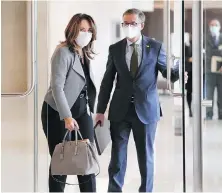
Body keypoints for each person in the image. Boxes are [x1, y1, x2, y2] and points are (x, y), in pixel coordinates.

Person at [95, 8, 181, 192]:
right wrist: (100, 110)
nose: (128, 27)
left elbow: (168, 74)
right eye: (125, 23)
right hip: (120, 111)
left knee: (146, 157)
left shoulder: (155, 47)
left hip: (147, 110)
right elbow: (107, 81)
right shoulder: (115, 48)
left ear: (141, 25)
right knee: (117, 157)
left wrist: (178, 71)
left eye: (132, 23)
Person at [41, 13, 97, 192]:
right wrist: (66, 117)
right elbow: (57, 87)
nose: (86, 33)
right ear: (73, 29)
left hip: (81, 111)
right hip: (58, 111)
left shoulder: (84, 52)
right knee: (61, 162)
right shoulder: (62, 52)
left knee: (86, 161)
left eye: (89, 30)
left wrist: (91, 111)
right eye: (82, 29)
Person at [204, 18, 222, 120]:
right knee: (208, 95)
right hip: (209, 71)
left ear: (219, 27)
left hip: (220, 72)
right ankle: (208, 114)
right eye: (212, 25)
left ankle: (221, 114)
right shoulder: (205, 38)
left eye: (215, 25)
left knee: (221, 96)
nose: (213, 27)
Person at [185, 33, 193, 117]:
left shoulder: (203, 44)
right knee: (189, 92)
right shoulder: (187, 44)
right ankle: (190, 109)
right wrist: (189, 59)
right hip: (190, 72)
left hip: (201, 73)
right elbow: (184, 57)